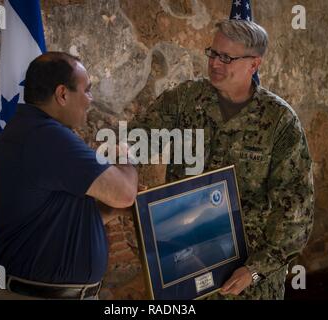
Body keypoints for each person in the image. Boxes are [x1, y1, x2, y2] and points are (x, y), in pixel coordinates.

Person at [133, 19, 314, 299]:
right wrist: (122, 172)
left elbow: (296, 212)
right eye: (213, 53)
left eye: (226, 58)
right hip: (187, 266)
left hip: (248, 280)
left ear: (254, 64)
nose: (215, 63)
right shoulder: (186, 100)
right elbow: (138, 140)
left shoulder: (279, 121)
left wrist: (254, 270)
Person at [0, 52, 138, 300]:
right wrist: (126, 156)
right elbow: (124, 193)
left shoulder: (33, 131)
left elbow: (58, 220)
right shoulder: (45, 137)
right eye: (86, 90)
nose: (90, 100)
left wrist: (114, 211)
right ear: (63, 94)